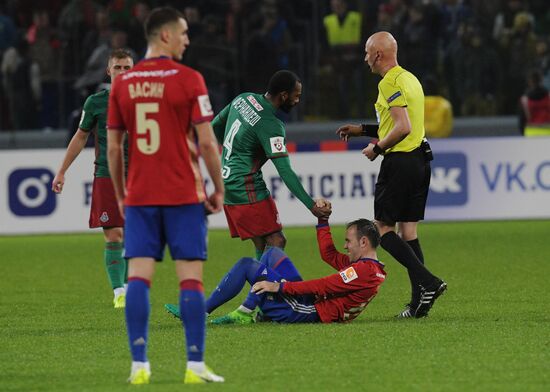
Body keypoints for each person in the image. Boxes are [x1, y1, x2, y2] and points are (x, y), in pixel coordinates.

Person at [106, 7, 224, 385]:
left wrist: (123, 195)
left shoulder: (122, 84)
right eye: (184, 33)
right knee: (190, 278)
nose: (188, 39)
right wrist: (218, 187)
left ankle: (139, 363)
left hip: (140, 196)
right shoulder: (189, 79)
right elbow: (206, 142)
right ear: (166, 36)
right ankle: (194, 366)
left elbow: (112, 148)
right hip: (183, 195)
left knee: (138, 277)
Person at [336, 31, 446, 319]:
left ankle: (429, 281)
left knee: (382, 229)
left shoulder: (388, 83)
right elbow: (398, 123)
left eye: (366, 53)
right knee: (408, 233)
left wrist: (377, 148)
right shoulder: (410, 78)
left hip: (399, 162)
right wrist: (361, 129)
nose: (365, 59)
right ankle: (419, 303)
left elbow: (402, 127)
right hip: (421, 160)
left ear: (378, 55)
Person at [165, 206, 386, 325]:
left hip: (308, 312)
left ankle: (206, 312)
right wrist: (322, 222)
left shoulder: (363, 271)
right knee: (273, 252)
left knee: (247, 265)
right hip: (311, 303)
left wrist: (278, 287)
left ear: (364, 242)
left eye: (348, 241)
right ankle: (253, 309)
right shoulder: (363, 267)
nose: (345, 246)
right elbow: (328, 255)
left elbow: (324, 286)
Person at [211, 70, 330, 260]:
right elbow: (284, 170)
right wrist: (311, 205)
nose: (298, 101)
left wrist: (231, 153)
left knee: (261, 242)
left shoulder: (243, 98)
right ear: (283, 96)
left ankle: (261, 287)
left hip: (228, 181)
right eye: (296, 96)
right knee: (276, 241)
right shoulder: (271, 125)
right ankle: (261, 287)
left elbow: (215, 126)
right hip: (246, 185)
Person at [52, 49, 133, 308]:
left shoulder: (144, 102)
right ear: (109, 71)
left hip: (139, 178)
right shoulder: (96, 102)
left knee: (135, 236)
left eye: (127, 68)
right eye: (118, 68)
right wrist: (62, 170)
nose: (122, 72)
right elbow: (80, 136)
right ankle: (119, 291)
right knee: (114, 234)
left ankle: (131, 287)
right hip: (106, 175)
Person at [520, 69, 550, 136]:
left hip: (531, 133)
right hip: (548, 132)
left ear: (530, 81)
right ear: (541, 80)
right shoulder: (548, 97)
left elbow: (522, 121)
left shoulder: (525, 100)